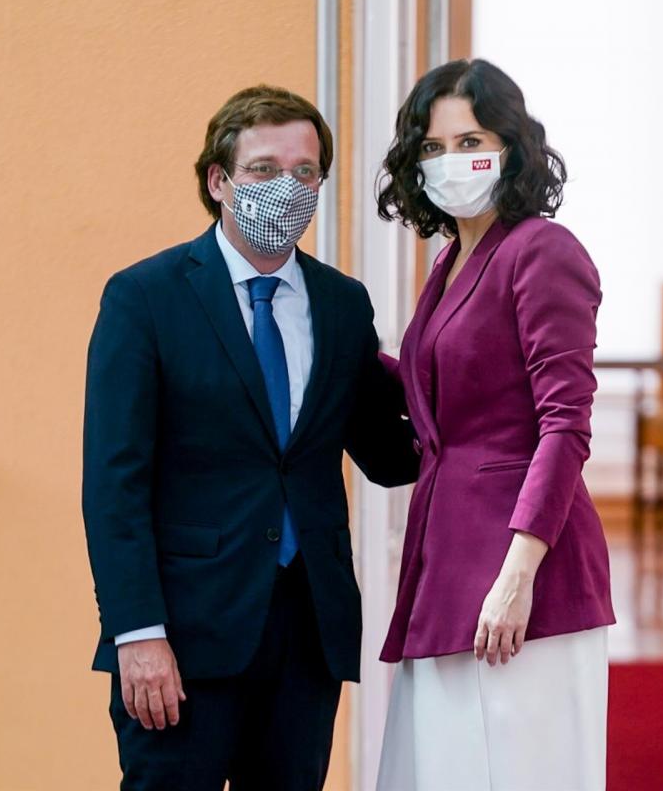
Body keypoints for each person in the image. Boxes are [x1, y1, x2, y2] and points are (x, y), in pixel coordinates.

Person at [82, 84, 418, 791]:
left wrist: (481, 396)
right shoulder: (144, 297)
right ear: (219, 180)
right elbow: (114, 484)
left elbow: (389, 456)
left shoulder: (342, 303)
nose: (286, 186)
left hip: (307, 635)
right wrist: (137, 632)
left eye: (305, 171)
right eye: (264, 168)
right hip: (182, 640)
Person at [374, 59, 615, 791]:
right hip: (444, 560)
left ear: (512, 146)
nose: (451, 161)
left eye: (470, 140)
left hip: (522, 570)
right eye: (433, 147)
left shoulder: (541, 250)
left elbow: (564, 424)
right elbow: (446, 399)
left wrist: (517, 575)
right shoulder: (452, 259)